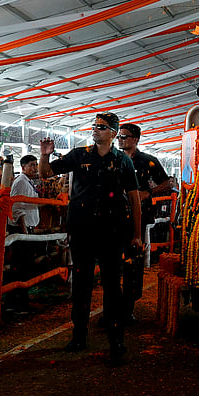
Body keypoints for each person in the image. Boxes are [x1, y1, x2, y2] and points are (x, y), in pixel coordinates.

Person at [39, 113, 142, 365]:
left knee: (112, 286)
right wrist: (44, 155)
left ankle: (116, 341)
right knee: (81, 284)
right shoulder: (79, 155)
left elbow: (134, 198)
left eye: (102, 127)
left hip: (112, 232)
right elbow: (45, 173)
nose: (95, 130)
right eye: (94, 126)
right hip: (82, 230)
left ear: (113, 133)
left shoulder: (123, 161)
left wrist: (137, 234)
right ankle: (78, 336)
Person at [116, 123, 172, 322]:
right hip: (114, 217)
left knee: (133, 263)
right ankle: (112, 307)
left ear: (136, 139)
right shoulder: (113, 159)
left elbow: (167, 183)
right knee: (112, 263)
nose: (120, 140)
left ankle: (128, 307)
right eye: (119, 136)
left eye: (125, 136)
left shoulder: (148, 161)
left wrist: (148, 193)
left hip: (137, 219)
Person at [6, 154, 41, 311]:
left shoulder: (27, 182)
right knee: (20, 267)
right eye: (32, 165)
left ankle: (21, 301)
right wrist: (24, 231)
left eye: (36, 164)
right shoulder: (21, 182)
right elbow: (17, 207)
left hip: (27, 228)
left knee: (24, 266)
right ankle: (15, 303)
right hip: (22, 229)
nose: (35, 168)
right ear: (23, 167)